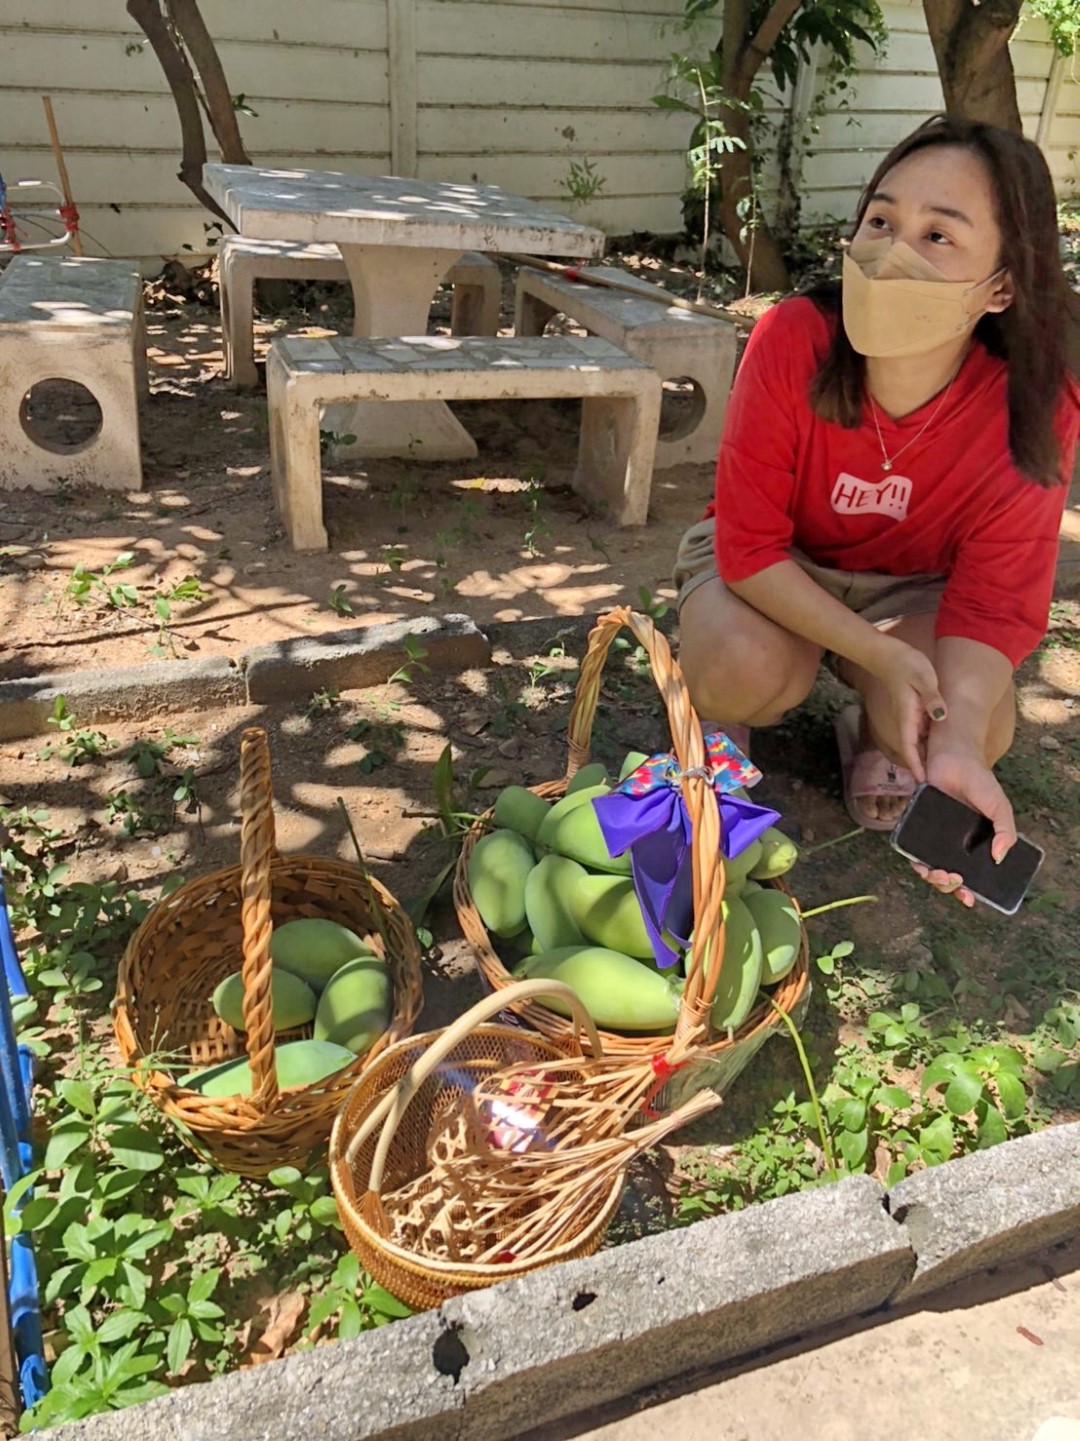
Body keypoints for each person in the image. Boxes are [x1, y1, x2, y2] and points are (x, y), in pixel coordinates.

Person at [673, 115, 1080, 905]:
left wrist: (959, 738)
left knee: (977, 721)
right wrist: (880, 655)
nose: (892, 253)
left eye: (939, 236)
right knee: (739, 663)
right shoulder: (792, 337)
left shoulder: (1037, 400)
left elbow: (995, 604)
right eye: (882, 221)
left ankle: (874, 729)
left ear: (1001, 286)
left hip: (913, 592)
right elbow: (749, 549)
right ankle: (730, 719)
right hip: (776, 572)